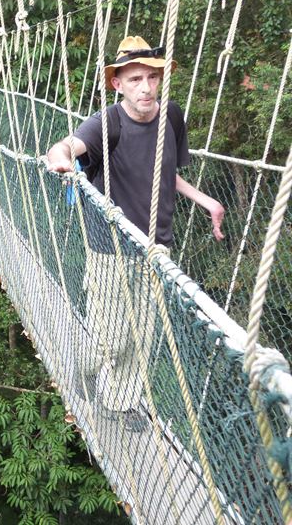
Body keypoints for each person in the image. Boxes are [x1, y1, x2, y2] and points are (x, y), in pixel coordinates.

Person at [45, 35, 225, 432]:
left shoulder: (171, 117)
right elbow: (65, 147)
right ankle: (85, 367)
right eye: (135, 80)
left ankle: (119, 402)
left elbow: (167, 170)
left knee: (141, 338)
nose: (145, 87)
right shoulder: (107, 122)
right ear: (118, 84)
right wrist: (59, 163)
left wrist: (206, 200)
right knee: (113, 338)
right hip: (109, 246)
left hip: (155, 246)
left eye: (152, 78)